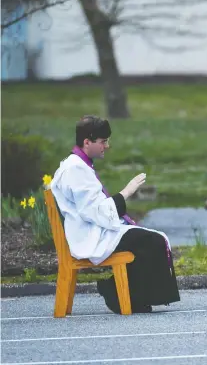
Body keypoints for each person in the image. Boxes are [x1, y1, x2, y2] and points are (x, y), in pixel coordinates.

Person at [50, 115, 180, 314]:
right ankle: (115, 293)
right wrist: (126, 192)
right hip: (89, 235)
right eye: (103, 142)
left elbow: (94, 208)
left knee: (151, 238)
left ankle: (125, 295)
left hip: (94, 229)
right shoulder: (74, 169)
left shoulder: (78, 165)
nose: (107, 146)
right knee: (150, 241)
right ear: (87, 142)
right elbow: (95, 212)